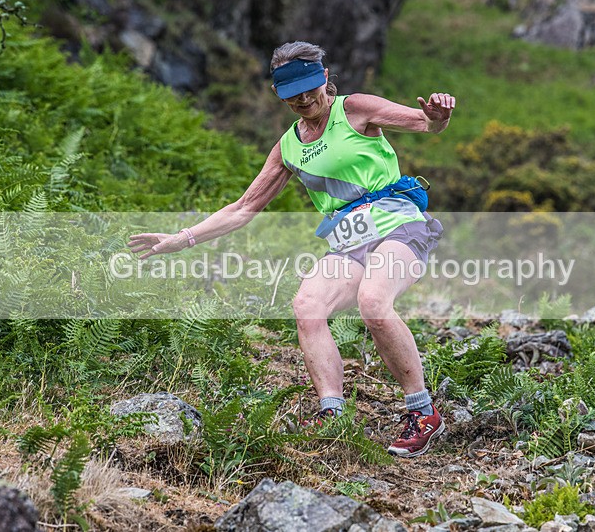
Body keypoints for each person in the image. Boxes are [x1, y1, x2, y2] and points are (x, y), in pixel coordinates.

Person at [127, 41, 455, 458]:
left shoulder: (355, 108)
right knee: (307, 305)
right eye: (291, 93)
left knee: (373, 301)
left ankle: (422, 413)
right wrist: (181, 239)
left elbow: (426, 123)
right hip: (349, 239)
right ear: (278, 95)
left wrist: (438, 116)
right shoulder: (288, 147)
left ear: (324, 78)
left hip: (398, 223)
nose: (303, 99)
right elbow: (244, 208)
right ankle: (331, 412)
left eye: (308, 87)